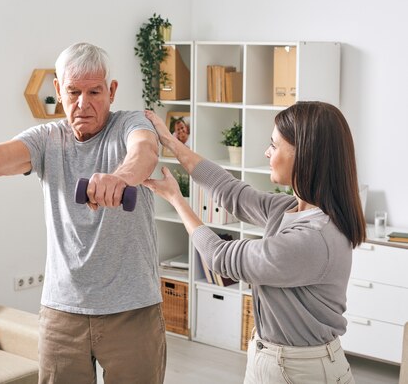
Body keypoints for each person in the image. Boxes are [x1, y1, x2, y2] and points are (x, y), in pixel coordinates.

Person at [0, 42, 166, 383]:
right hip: (63, 312)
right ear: (59, 90)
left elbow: (144, 151)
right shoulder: (48, 139)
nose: (83, 103)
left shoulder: (129, 124)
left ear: (112, 91)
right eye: (74, 91)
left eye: (95, 91)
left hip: (132, 309)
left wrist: (120, 178)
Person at [143, 102, 366, 384]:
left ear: (304, 156)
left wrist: (176, 198)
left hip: (302, 371)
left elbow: (220, 257)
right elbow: (231, 192)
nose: (267, 152)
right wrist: (170, 141)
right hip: (271, 358)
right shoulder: (290, 210)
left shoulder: (313, 239)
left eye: (274, 145)